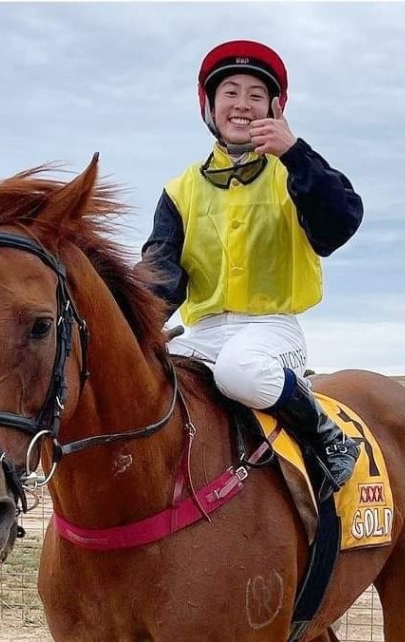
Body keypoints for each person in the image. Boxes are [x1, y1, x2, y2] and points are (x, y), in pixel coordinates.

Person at [140, 39, 364, 498]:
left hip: (272, 329)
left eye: (256, 95)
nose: (242, 104)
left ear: (274, 108)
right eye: (231, 92)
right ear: (209, 106)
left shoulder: (294, 170)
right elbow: (161, 276)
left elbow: (337, 226)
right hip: (202, 332)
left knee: (238, 370)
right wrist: (133, 327)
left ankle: (327, 435)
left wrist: (294, 152)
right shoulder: (180, 190)